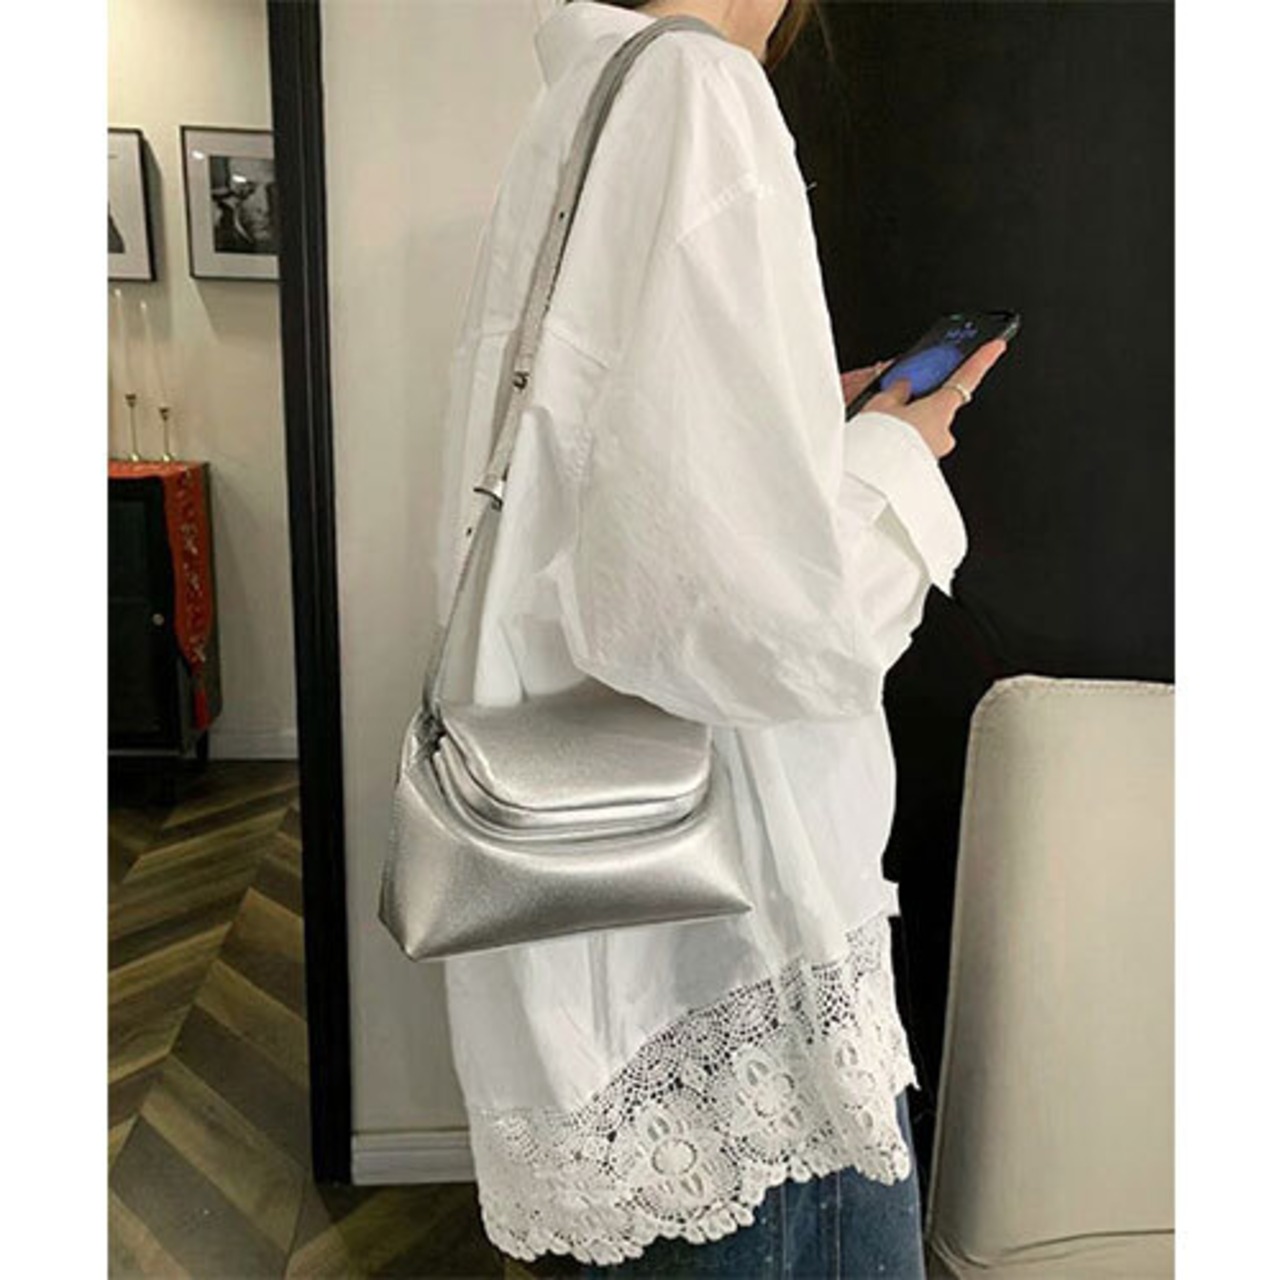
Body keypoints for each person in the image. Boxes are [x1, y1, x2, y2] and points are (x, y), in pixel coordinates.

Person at [433, 0, 1007, 1274]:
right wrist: (896, 458)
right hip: (732, 963)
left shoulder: (579, 103)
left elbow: (612, 506)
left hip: (603, 945)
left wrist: (795, 420)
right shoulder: (701, 92)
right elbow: (756, 635)